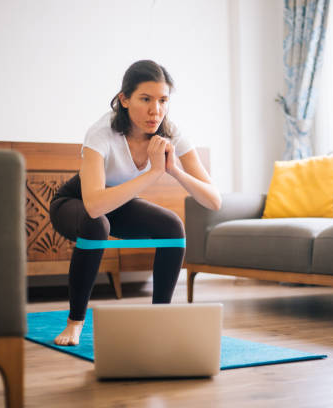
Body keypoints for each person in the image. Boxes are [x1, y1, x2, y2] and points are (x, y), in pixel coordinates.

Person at [49, 60, 222, 346]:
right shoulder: (101, 132)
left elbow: (213, 200)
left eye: (163, 100)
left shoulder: (171, 132)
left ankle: (158, 321)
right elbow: (93, 205)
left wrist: (174, 170)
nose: (156, 110)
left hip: (116, 201)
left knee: (172, 226)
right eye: (146, 99)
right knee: (96, 224)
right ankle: (75, 322)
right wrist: (154, 172)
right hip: (75, 202)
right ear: (124, 99)